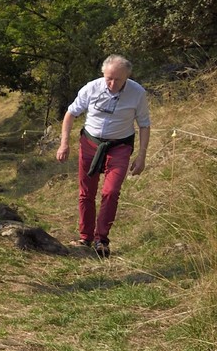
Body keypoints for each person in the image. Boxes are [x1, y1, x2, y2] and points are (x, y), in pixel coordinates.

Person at [55, 55, 151, 257]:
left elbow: (144, 124)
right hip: (90, 143)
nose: (112, 83)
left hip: (120, 146)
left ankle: (102, 240)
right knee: (86, 192)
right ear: (103, 74)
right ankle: (85, 237)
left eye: (118, 79)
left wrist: (142, 156)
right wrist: (64, 143)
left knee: (111, 191)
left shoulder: (137, 93)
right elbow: (70, 114)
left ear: (127, 77)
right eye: (109, 78)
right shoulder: (91, 88)